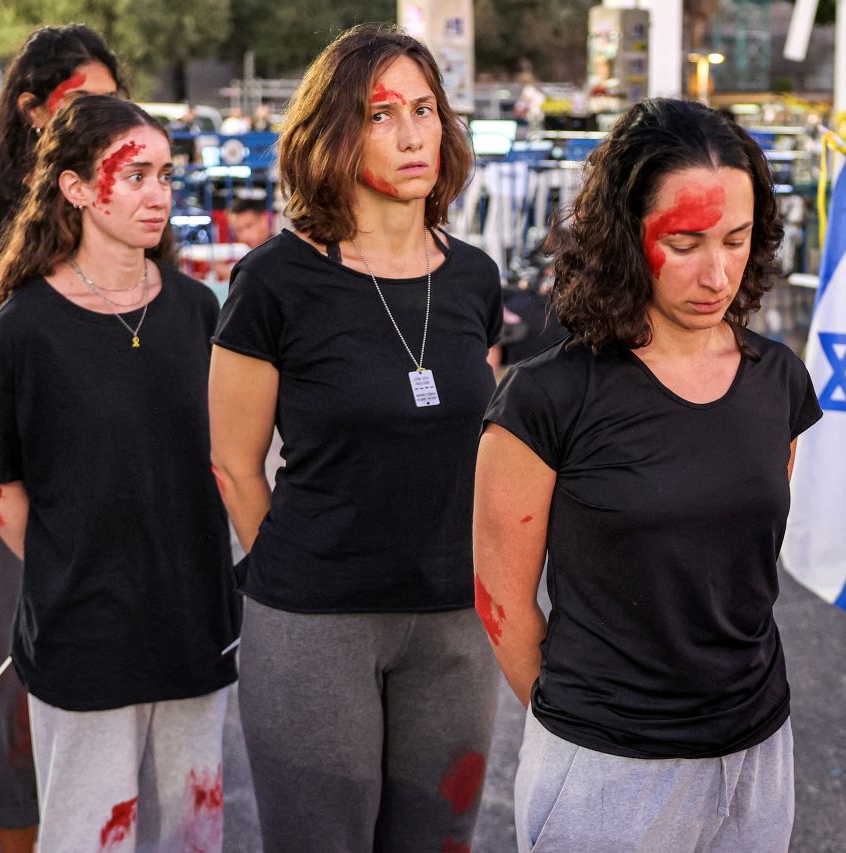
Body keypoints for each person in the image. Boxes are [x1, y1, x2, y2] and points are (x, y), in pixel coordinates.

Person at [472, 98, 822, 852]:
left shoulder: (779, 381)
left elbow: (747, 558)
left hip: (757, 754)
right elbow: (501, 599)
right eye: (687, 241)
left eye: (737, 238)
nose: (718, 270)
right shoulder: (547, 396)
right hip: (606, 773)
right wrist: (586, 727)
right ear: (628, 239)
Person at [208, 24, 504, 851]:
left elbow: (472, 440)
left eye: (424, 109)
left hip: (454, 620)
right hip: (314, 621)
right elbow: (233, 461)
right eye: (380, 113)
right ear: (332, 133)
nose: (414, 134)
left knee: (439, 840)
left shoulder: (476, 278)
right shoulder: (274, 280)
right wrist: (306, 574)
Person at [0, 95, 238, 853]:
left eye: (165, 175)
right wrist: (74, 564)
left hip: (195, 623)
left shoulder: (198, 310)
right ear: (76, 188)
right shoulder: (23, 327)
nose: (158, 194)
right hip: (83, 630)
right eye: (135, 174)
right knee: (90, 835)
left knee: (196, 831)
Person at [0, 25, 123, 852]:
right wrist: (22, 454)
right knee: (11, 692)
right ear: (34, 110)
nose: (100, 119)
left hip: (113, 494)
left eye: (111, 100)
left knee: (107, 693)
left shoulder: (126, 203)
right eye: (82, 101)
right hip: (8, 490)